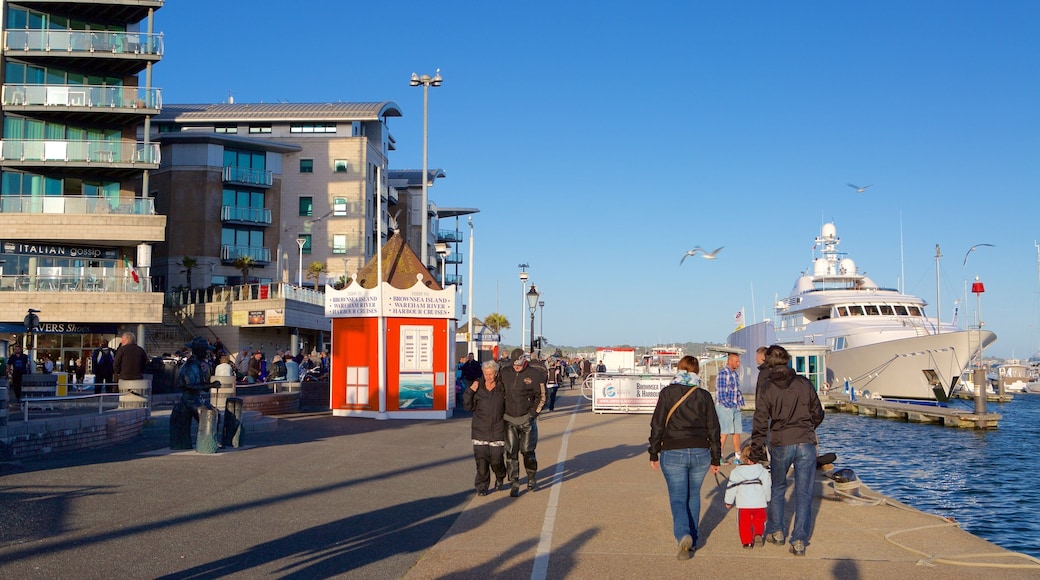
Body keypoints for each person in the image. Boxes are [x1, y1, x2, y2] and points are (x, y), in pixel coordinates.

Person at [751, 345, 825, 557]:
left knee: (778, 487)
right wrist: (809, 428)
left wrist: (757, 449)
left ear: (769, 363)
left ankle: (777, 530)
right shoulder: (803, 383)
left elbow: (760, 421)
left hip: (781, 441)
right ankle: (799, 538)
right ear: (787, 361)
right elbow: (818, 412)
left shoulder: (767, 387)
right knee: (804, 493)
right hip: (805, 441)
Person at [648, 355, 721, 560]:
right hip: (700, 451)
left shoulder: (667, 393)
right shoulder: (704, 395)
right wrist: (716, 458)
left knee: (678, 498)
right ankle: (694, 539)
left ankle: (683, 534)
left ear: (679, 369)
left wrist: (653, 452)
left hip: (673, 450)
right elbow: (714, 428)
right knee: (694, 495)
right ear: (697, 371)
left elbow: (657, 424)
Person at [499, 348, 546, 497]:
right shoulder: (505, 372)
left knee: (527, 451)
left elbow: (542, 396)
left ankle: (531, 477)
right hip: (509, 419)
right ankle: (514, 482)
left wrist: (533, 414)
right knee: (511, 452)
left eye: (518, 364)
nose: (516, 367)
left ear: (524, 360)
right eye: (514, 364)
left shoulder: (535, 374)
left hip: (527, 419)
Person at [463, 360, 507, 496]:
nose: (488, 377)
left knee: (496, 460)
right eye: (486, 374)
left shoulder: (502, 388)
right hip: (480, 430)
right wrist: (470, 391)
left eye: (491, 374)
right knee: (481, 463)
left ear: (496, 373)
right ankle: (482, 487)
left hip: (498, 430)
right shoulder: (477, 387)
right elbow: (467, 407)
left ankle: (500, 476)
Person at [724, 443, 772, 549]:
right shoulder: (763, 471)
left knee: (744, 524)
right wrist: (767, 498)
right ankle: (758, 534)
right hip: (759, 503)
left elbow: (731, 488)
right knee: (759, 520)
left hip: (743, 504)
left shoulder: (736, 472)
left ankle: (747, 542)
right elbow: (767, 486)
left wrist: (728, 501)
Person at [715, 353, 746, 463]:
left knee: (737, 432)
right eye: (737, 361)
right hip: (725, 407)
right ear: (730, 361)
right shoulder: (723, 374)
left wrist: (740, 402)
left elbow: (736, 390)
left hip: (735, 406)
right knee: (724, 431)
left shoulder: (734, 374)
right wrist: (728, 405)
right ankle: (718, 456)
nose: (739, 363)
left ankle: (738, 457)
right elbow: (721, 393)